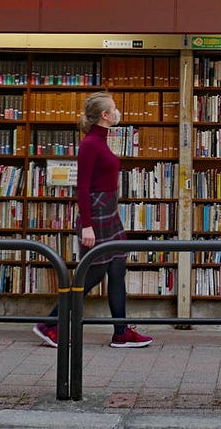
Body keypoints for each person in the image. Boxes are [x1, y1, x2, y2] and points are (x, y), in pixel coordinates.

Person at [33, 91, 153, 348]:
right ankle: (50, 323)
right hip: (97, 215)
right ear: (105, 115)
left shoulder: (101, 140)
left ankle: (121, 332)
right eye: (114, 108)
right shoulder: (89, 144)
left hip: (109, 212)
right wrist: (86, 224)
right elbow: (83, 187)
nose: (117, 112)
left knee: (118, 269)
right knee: (94, 273)